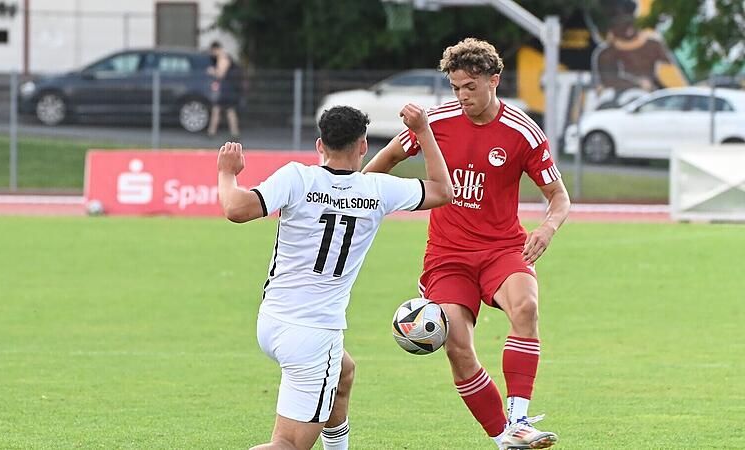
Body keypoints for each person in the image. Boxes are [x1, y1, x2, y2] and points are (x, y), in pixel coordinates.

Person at [363, 38, 570, 450]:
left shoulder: (523, 132)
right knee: (457, 347)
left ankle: (520, 418)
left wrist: (547, 228)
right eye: (456, 87)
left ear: (494, 81)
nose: (462, 96)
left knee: (526, 307)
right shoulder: (435, 123)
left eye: (470, 87)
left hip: (503, 249)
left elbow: (559, 197)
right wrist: (351, 196)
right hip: (447, 257)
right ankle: (503, 437)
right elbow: (383, 162)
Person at [217, 104, 453, 450]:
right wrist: (422, 130)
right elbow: (443, 191)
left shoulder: (296, 177)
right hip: (314, 333)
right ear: (363, 146)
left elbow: (236, 208)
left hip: (272, 321)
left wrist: (227, 172)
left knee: (343, 373)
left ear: (319, 145)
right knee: (288, 444)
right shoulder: (377, 189)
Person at [591, 0, 686, 107]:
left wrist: (665, 92)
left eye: (629, 18)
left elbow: (671, 74)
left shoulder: (653, 45)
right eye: (619, 21)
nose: (627, 26)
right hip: (623, 100)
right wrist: (638, 84)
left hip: (655, 98)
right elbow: (609, 80)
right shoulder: (606, 53)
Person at [207, 41, 241, 139]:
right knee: (226, 110)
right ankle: (233, 133)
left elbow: (221, 74)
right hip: (228, 88)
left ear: (216, 49)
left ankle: (212, 132)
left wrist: (212, 71)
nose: (212, 53)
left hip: (227, 89)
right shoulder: (224, 57)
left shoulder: (223, 58)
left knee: (220, 109)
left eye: (213, 51)